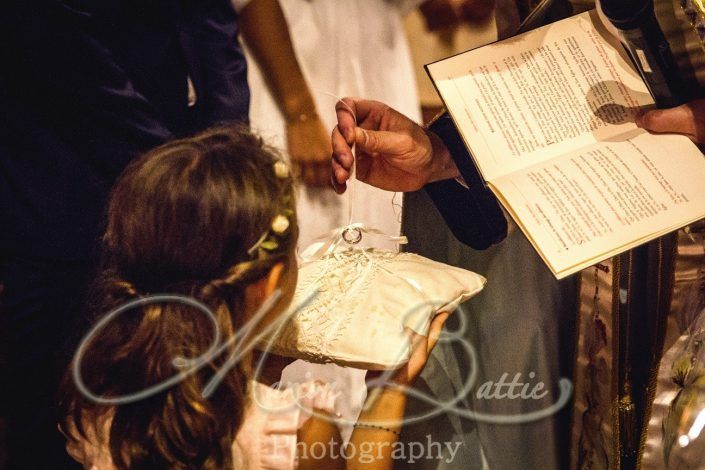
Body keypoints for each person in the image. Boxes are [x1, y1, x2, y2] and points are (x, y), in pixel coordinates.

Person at [58, 125, 448, 469]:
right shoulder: (293, 433)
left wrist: (262, 369)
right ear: (270, 282)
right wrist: (387, 394)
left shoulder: (101, 403)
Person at [0, 1, 249, 467]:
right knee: (58, 428)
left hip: (179, 195)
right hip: (64, 202)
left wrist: (229, 151)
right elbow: (63, 56)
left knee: (174, 417)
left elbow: (210, 22)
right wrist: (194, 181)